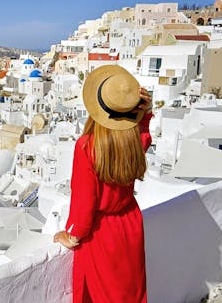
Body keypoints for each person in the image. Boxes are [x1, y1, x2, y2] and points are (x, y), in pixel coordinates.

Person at [54, 65, 153, 303]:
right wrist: (146, 112)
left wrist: (72, 235)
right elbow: (144, 135)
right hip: (131, 225)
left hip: (102, 234)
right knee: (131, 294)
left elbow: (85, 203)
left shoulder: (87, 147)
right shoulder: (135, 142)